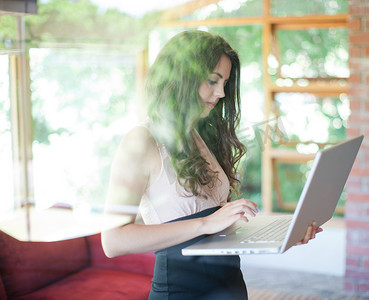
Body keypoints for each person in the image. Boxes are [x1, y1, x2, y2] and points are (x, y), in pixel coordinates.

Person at [101, 30, 322, 300]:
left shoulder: (201, 135)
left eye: (225, 83)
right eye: (212, 81)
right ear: (181, 77)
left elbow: (217, 224)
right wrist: (205, 223)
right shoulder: (141, 141)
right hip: (183, 291)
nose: (221, 93)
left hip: (229, 284)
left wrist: (280, 235)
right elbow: (112, 241)